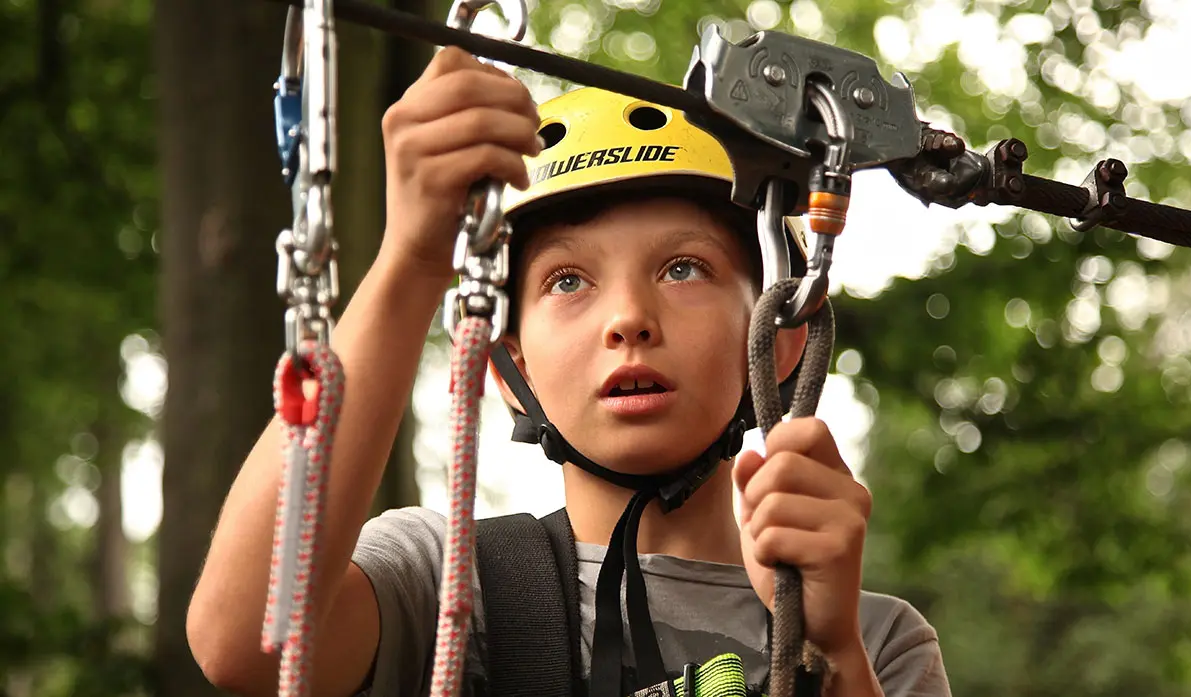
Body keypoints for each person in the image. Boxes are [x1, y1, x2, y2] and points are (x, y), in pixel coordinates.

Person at [186, 47, 952, 697]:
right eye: (567, 281)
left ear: (778, 340)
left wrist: (832, 656)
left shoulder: (880, 640)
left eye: (684, 267)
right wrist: (411, 258)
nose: (628, 317)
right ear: (507, 365)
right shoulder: (449, 586)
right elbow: (247, 639)